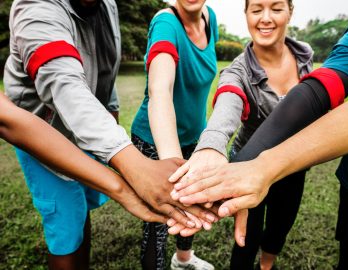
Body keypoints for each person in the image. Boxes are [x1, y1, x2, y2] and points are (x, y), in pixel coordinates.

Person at [4, 0, 217, 268]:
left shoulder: (107, 5)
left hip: (90, 130)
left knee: (80, 211)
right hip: (42, 132)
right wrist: (131, 162)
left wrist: (112, 115)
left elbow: (105, 68)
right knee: (67, 226)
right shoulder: (36, 7)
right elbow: (65, 86)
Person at [170, 18, 348, 270]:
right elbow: (229, 99)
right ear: (246, 15)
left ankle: (266, 266)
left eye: (276, 7)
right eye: (257, 8)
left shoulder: (304, 55)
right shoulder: (238, 68)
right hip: (249, 167)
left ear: (290, 12)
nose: (266, 17)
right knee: (247, 235)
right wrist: (212, 148)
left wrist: (259, 166)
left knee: (280, 225)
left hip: (292, 166)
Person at [130, 1, 218, 269]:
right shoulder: (166, 24)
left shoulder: (209, 17)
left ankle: (183, 260)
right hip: (156, 142)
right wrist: (172, 162)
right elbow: (160, 89)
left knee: (191, 208)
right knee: (159, 222)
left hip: (193, 139)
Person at [0, 92, 166, 223]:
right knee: (66, 227)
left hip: (83, 135)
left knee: (80, 211)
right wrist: (124, 184)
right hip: (39, 140)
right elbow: (7, 118)